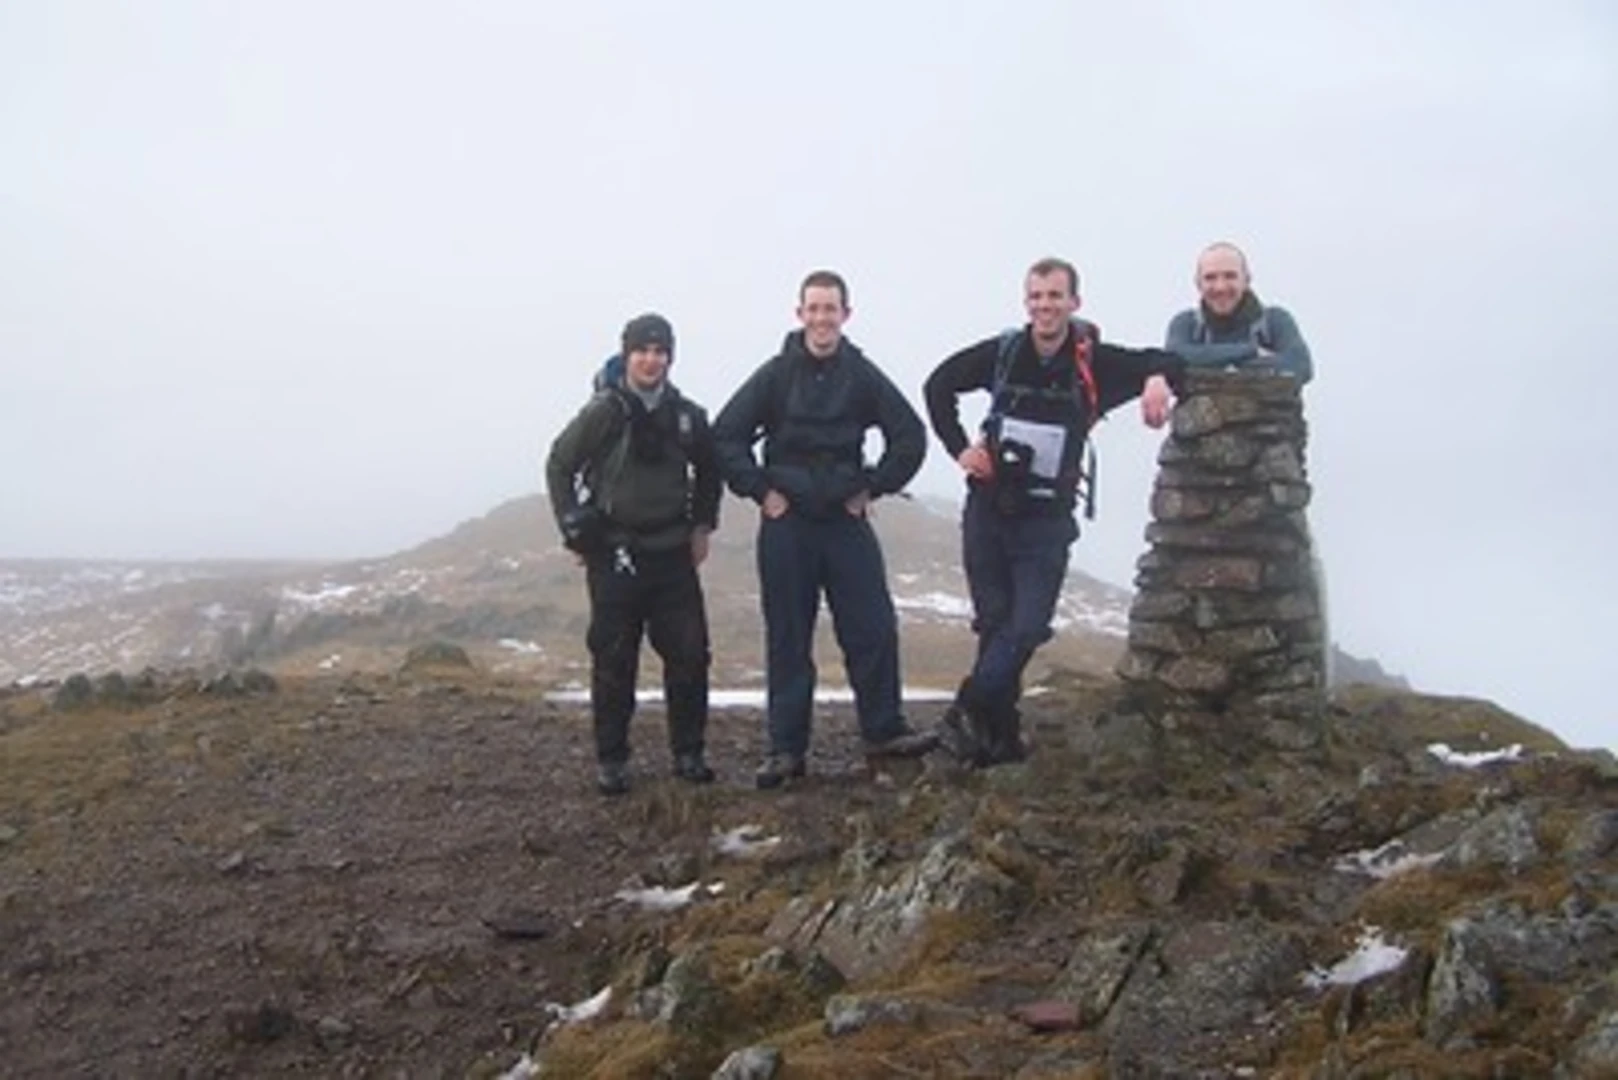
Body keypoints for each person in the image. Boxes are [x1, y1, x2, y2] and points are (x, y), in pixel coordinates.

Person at [923, 257, 1183, 767]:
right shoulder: (1003, 354)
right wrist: (960, 450)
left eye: (1055, 296)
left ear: (1074, 303)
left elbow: (1170, 362)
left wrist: (1155, 381)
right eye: (1036, 297)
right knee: (995, 624)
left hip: (1046, 521)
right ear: (1026, 302)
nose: (1045, 306)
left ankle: (966, 710)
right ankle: (997, 741)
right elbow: (937, 386)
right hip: (989, 509)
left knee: (1027, 626)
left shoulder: (1095, 363)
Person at [712, 269, 937, 789]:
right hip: (787, 523)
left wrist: (873, 487)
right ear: (799, 314)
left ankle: (883, 729)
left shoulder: (862, 375)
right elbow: (726, 436)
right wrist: (760, 491)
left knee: (873, 625)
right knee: (789, 635)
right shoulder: (773, 375)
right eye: (812, 309)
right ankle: (786, 749)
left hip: (844, 520)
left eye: (830, 309)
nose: (821, 318)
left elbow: (909, 437)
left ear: (845, 315)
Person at [545, 313, 721, 796]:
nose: (651, 359)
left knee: (689, 656)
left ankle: (688, 753)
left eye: (660, 350)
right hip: (615, 554)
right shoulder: (604, 412)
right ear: (627, 355)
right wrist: (573, 528)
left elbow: (710, 471)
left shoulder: (687, 416)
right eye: (642, 350)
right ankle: (612, 759)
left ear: (670, 357)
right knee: (614, 657)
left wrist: (702, 525)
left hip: (672, 554)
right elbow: (559, 463)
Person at [1164, 242, 1313, 384]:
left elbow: (1301, 367)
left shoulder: (1274, 321)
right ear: (1198, 284)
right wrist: (1251, 352)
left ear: (1246, 280)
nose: (1220, 287)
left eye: (1230, 276)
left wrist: (1205, 362)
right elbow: (1174, 359)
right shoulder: (1186, 324)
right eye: (1210, 278)